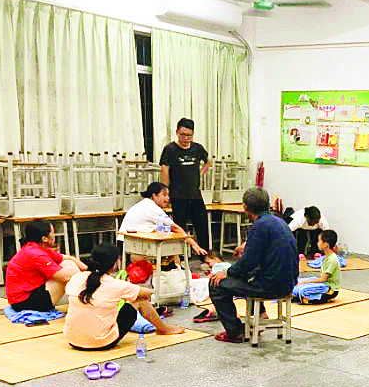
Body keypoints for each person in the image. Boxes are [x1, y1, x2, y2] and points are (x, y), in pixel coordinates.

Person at [208, 188, 298, 343]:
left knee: (216, 285)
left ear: (245, 207)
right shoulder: (279, 221)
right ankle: (261, 314)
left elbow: (248, 264)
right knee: (247, 275)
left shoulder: (259, 226)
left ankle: (235, 332)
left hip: (270, 286)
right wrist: (247, 248)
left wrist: (227, 272)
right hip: (289, 282)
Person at [63, 244, 183, 350]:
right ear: (114, 264)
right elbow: (147, 293)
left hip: (73, 340)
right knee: (140, 300)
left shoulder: (76, 277)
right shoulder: (116, 284)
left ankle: (163, 328)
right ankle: (164, 329)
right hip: (101, 343)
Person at [5, 220, 87, 311]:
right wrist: (87, 276)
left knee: (68, 263)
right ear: (45, 238)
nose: (54, 235)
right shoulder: (35, 254)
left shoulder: (37, 247)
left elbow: (65, 258)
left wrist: (86, 268)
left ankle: (85, 301)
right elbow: (65, 277)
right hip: (23, 302)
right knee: (70, 273)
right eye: (52, 232)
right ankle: (86, 302)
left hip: (27, 294)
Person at [159, 118, 211, 254]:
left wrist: (199, 173)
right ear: (177, 132)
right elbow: (164, 170)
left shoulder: (197, 148)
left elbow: (208, 162)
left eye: (189, 135)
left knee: (202, 225)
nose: (186, 138)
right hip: (177, 195)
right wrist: (165, 193)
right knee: (179, 227)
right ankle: (180, 258)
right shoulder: (170, 149)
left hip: (195, 195)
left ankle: (205, 255)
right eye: (183, 135)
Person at [118, 181, 207, 257]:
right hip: (128, 244)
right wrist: (195, 245)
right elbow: (175, 228)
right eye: (164, 195)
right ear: (154, 196)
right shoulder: (151, 206)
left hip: (127, 243)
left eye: (168, 195)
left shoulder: (146, 204)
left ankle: (176, 267)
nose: (167, 198)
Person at [296, 229, 341, 304]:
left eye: (319, 241)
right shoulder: (327, 257)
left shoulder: (332, 260)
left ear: (326, 244)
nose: (317, 243)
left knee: (302, 290)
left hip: (330, 289)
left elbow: (323, 279)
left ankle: (314, 298)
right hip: (324, 284)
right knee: (297, 281)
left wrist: (305, 282)